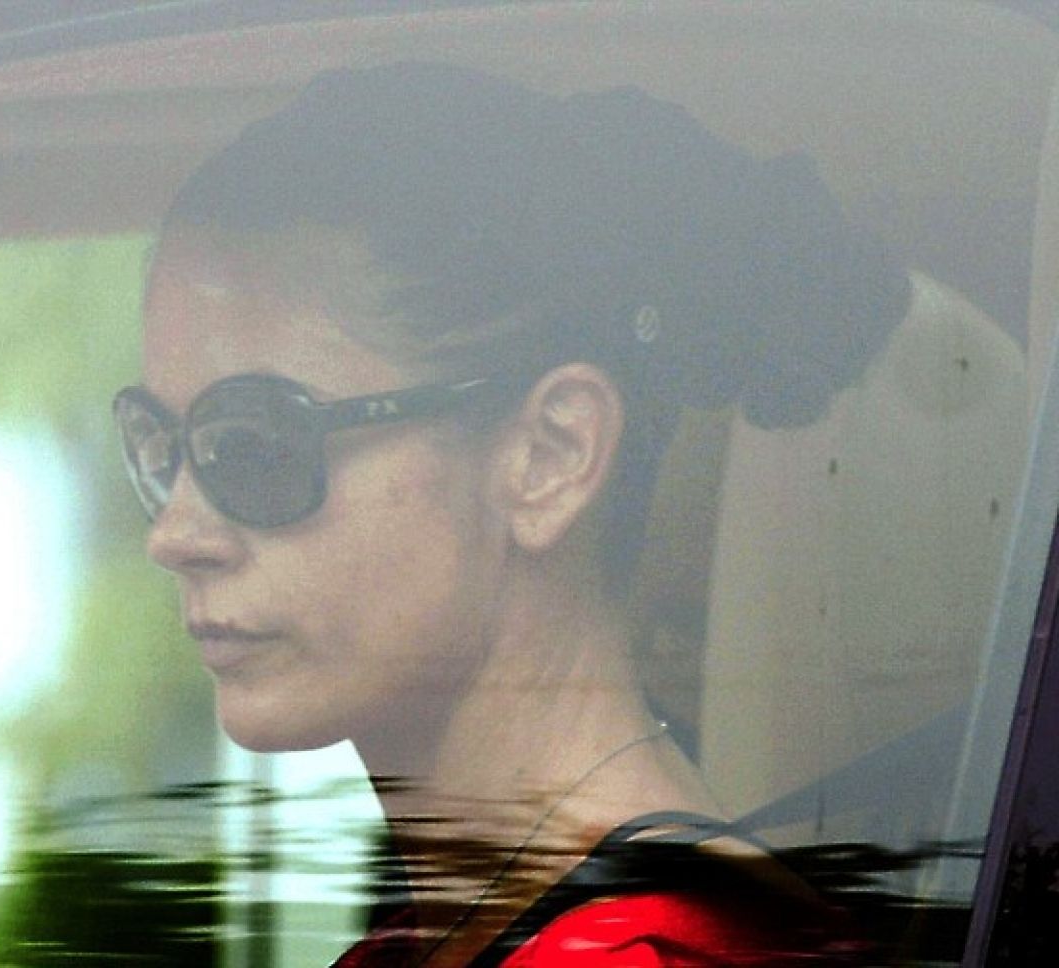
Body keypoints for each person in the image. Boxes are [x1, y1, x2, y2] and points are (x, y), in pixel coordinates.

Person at [113, 62, 908, 965]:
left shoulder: (659, 956)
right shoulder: (429, 943)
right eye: (160, 445)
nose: (174, 536)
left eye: (254, 444)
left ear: (550, 457)